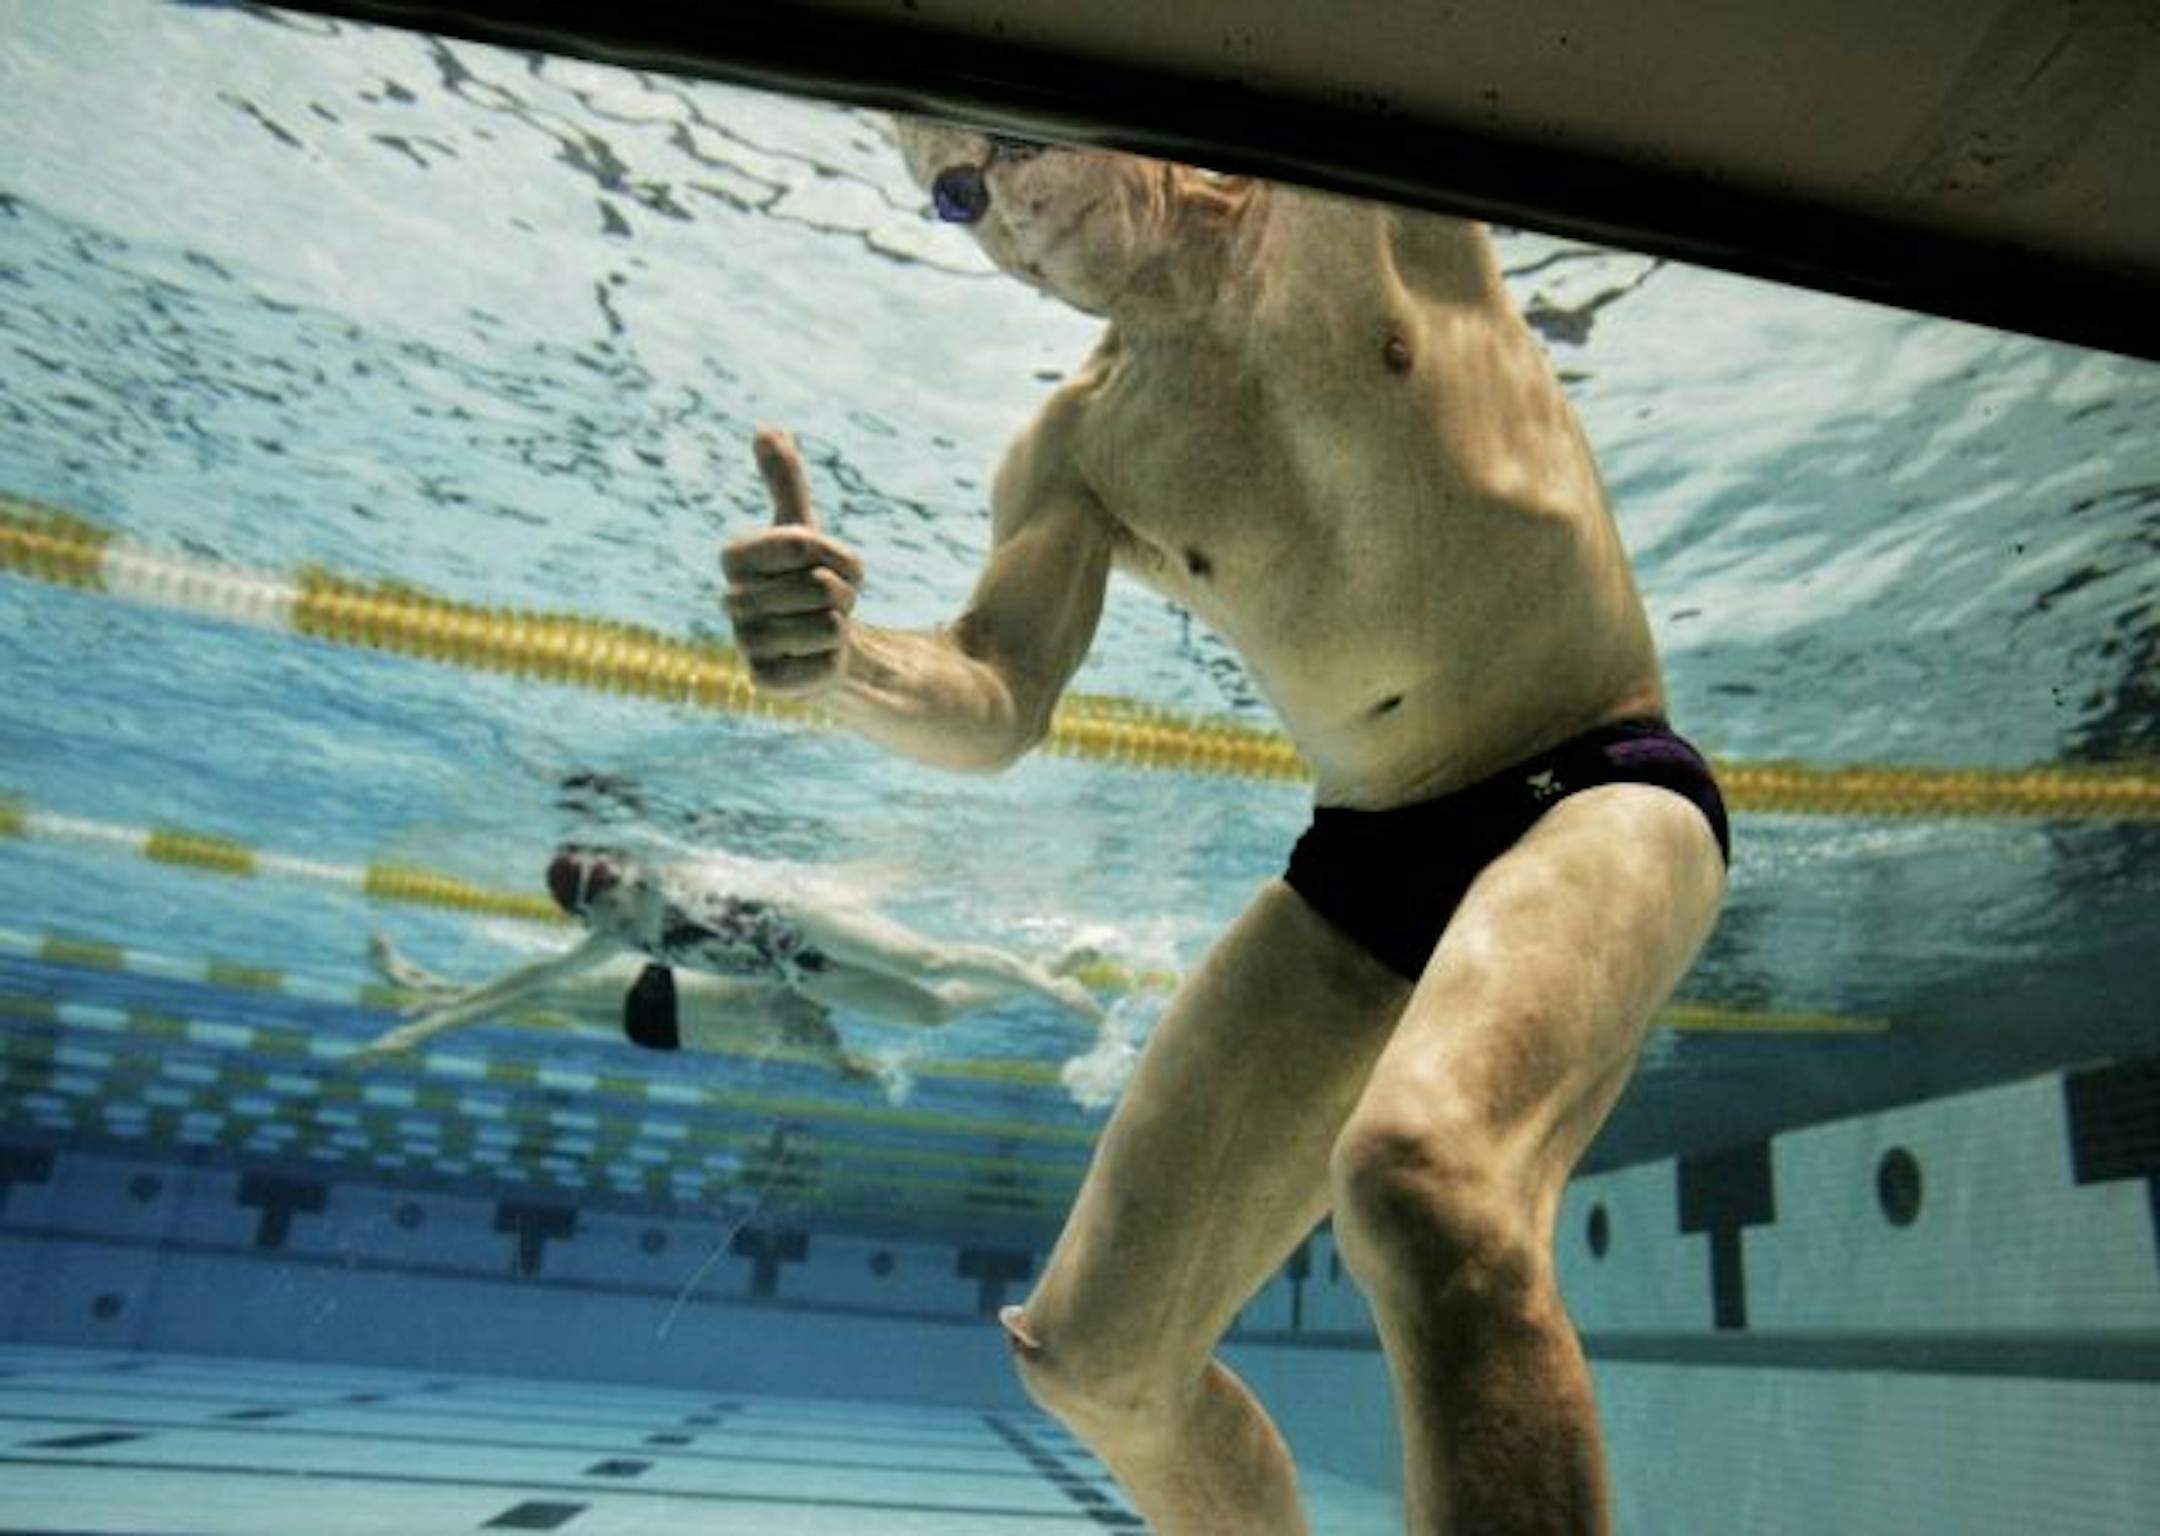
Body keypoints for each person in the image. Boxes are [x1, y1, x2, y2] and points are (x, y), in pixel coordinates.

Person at [721, 118, 1730, 1536]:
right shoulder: (1084, 446)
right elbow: (997, 695)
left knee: (1425, 1182)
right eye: (957, 195)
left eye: (1008, 141)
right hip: (1366, 856)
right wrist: (843, 663)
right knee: (1095, 1359)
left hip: (1597, 786)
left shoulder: (1338, 202)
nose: (1002, 203)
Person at [350, 843, 1102, 1071]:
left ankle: (1041, 980)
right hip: (797, 968)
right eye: (602, 909)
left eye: (618, 892)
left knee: (929, 962)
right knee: (932, 1015)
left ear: (629, 871)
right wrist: (412, 1036)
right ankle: (1054, 963)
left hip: (807, 919)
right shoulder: (619, 938)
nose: (620, 908)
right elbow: (525, 982)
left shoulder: (673, 880)